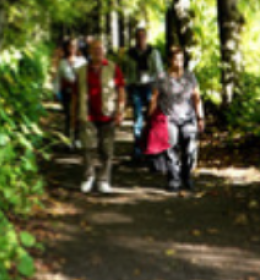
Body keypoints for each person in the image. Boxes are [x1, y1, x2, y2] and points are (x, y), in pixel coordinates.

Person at [149, 45, 204, 193]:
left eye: (181, 59)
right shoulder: (162, 77)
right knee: (171, 149)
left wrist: (200, 117)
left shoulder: (190, 77)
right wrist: (151, 116)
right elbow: (154, 97)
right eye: (176, 59)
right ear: (170, 60)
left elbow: (197, 98)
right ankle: (174, 179)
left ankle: (186, 177)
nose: (179, 62)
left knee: (190, 150)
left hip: (188, 117)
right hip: (169, 118)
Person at [74, 38, 125, 194]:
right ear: (89, 51)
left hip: (107, 114)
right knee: (88, 149)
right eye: (94, 49)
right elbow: (75, 95)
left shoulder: (112, 68)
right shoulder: (81, 70)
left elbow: (121, 90)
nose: (97, 51)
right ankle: (88, 177)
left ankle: (103, 180)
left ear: (104, 51)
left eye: (100, 49)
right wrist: (73, 116)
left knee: (107, 150)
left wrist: (120, 111)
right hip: (87, 114)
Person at [125, 26, 165, 162]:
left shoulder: (153, 53)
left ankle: (151, 148)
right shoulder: (130, 54)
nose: (140, 39)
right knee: (137, 119)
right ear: (135, 38)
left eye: (143, 36)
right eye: (138, 37)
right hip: (136, 87)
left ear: (146, 38)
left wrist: (158, 90)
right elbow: (127, 73)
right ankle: (138, 150)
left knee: (152, 117)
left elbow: (159, 72)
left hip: (150, 87)